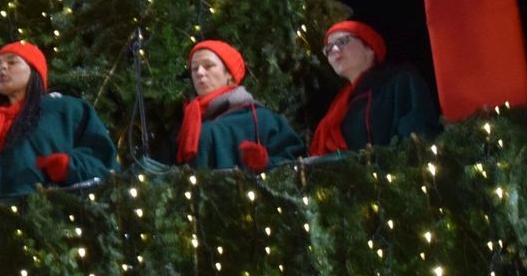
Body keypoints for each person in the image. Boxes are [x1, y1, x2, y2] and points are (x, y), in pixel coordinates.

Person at [0, 43, 117, 198]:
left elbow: (104, 163)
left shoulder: (65, 109)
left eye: (12, 62)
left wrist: (69, 167)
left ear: (34, 69)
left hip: (52, 218)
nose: (1, 67)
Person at [309, 20, 443, 156]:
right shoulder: (339, 104)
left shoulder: (399, 81)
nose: (334, 50)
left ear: (369, 47)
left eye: (342, 42)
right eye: (329, 48)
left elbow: (418, 140)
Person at [175, 40, 306, 171]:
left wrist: (266, 164)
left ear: (229, 74)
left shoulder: (263, 119)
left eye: (208, 65)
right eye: (194, 68)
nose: (199, 73)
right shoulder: (188, 124)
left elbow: (296, 164)